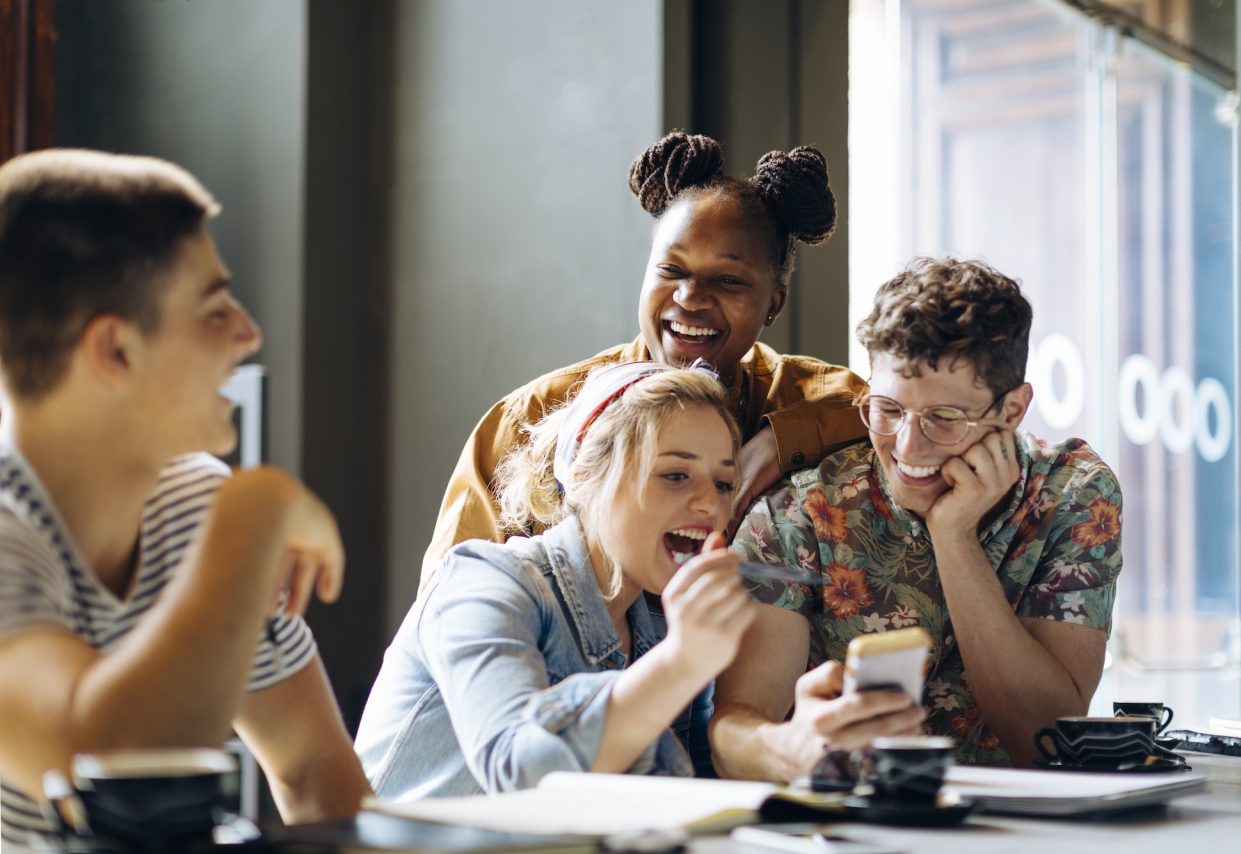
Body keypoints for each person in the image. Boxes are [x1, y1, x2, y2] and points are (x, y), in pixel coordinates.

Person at [0, 149, 370, 846]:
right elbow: (104, 761)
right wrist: (257, 508)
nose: (248, 334)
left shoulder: (200, 505)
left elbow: (312, 766)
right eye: (213, 311)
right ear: (115, 352)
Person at [710, 258, 1123, 777]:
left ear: (1013, 410)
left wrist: (954, 537)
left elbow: (1044, 736)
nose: (907, 445)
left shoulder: (1072, 494)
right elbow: (732, 729)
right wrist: (788, 747)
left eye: (944, 418)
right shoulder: (802, 515)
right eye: (889, 409)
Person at [418, 131, 868, 597]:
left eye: (729, 280)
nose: (690, 297)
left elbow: (894, 408)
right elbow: (444, 601)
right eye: (671, 270)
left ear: (773, 305)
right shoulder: (534, 416)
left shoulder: (808, 398)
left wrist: (780, 441)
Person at [356, 362, 755, 800]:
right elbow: (519, 771)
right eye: (675, 475)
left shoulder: (664, 629)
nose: (709, 505)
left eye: (723, 483)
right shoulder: (485, 582)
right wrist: (683, 663)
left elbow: (692, 795)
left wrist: (808, 742)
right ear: (583, 478)